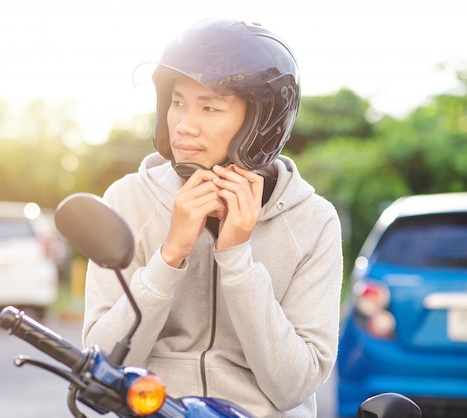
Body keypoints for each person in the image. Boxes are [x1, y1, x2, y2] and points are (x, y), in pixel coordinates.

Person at [82, 18, 343, 417]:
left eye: (210, 106)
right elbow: (103, 366)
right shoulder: (126, 199)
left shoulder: (313, 221)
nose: (184, 126)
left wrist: (237, 257)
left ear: (261, 122)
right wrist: (169, 257)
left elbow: (295, 385)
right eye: (178, 102)